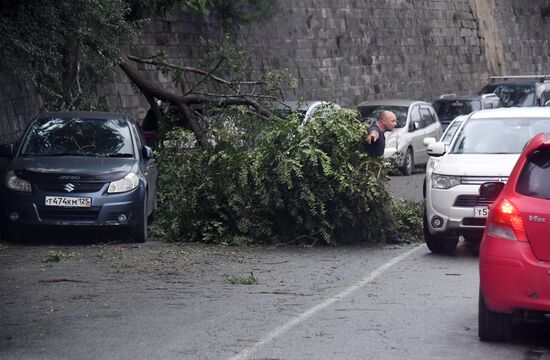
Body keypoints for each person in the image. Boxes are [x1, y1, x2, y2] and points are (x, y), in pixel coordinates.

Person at [365, 110, 409, 245]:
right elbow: (373, 133)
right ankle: (392, 234)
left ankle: (376, 231)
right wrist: (371, 137)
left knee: (376, 203)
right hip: (370, 175)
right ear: (383, 121)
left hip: (373, 173)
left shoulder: (381, 131)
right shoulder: (375, 129)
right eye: (393, 121)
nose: (395, 124)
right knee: (384, 202)